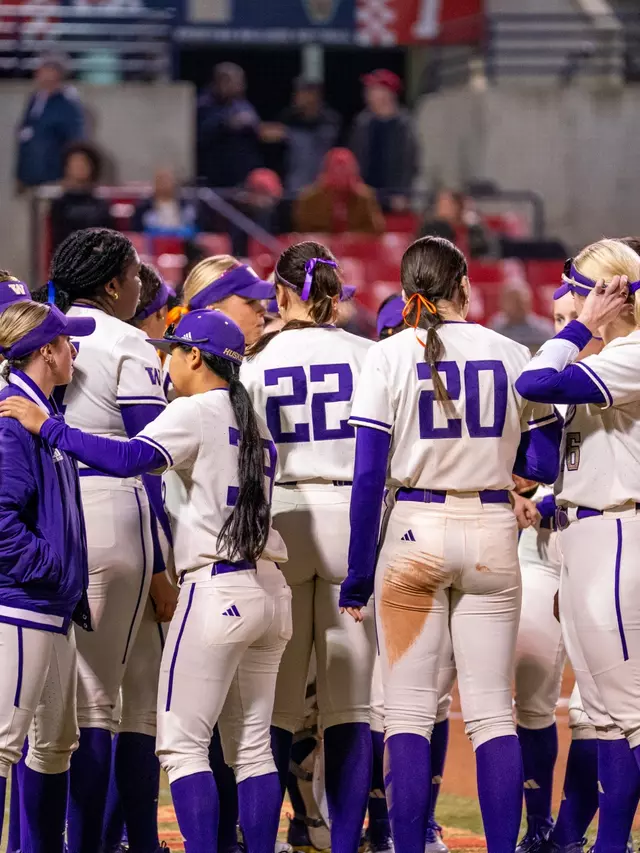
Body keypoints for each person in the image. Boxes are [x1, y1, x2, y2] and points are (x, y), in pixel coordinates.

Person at [0, 309, 292, 853]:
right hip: (271, 590)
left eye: (174, 350)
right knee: (252, 750)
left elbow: (130, 457)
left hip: (219, 586)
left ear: (196, 357)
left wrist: (51, 427)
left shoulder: (199, 408)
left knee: (182, 748)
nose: (166, 359)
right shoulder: (250, 417)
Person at [340, 236, 561, 853]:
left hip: (413, 527)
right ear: (463, 285)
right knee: (493, 712)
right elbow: (541, 458)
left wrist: (358, 575)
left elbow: (366, 478)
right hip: (493, 528)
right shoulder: (513, 351)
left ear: (410, 293)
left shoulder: (386, 357)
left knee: (408, 712)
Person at [241, 241, 377, 853]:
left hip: (282, 518)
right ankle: (344, 841)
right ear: (336, 292)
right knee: (350, 707)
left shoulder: (251, 362)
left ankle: (264, 839)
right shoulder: (370, 354)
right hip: (352, 515)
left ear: (280, 292)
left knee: (275, 704)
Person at [42, 227, 175, 853]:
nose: (140, 285)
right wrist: (163, 556)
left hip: (50, 510)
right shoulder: (129, 342)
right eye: (134, 273)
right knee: (107, 704)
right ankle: (93, 843)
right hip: (113, 510)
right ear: (112, 283)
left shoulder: (37, 327)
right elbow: (150, 456)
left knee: (81, 695)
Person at [516, 239, 640, 853]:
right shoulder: (611, 354)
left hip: (621, 531)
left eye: (586, 285)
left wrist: (581, 327)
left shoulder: (634, 352)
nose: (573, 295)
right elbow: (564, 457)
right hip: (584, 533)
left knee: (633, 714)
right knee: (607, 716)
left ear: (618, 292)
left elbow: (535, 377)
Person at [0, 300, 95, 851]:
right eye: (66, 342)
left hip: (51, 604)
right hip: (23, 602)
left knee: (56, 743)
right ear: (46, 352)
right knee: (4, 741)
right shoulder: (13, 419)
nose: (73, 351)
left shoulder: (42, 414)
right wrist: (50, 569)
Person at [513, 281, 602, 853]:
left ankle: (573, 832)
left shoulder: (622, 372)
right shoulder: (548, 377)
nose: (566, 329)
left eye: (575, 316)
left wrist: (546, 497)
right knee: (532, 693)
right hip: (541, 551)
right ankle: (540, 826)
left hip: (600, 546)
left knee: (601, 705)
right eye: (560, 317)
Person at [349, 69, 417, 211]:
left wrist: (403, 193)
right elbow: (355, 158)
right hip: (366, 197)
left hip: (396, 198)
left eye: (373, 89)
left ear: (388, 93)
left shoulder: (406, 124)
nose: (367, 94)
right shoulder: (362, 123)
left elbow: (410, 162)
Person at [15, 53, 85, 192]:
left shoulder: (68, 104)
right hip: (30, 178)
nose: (39, 74)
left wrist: (71, 177)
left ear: (57, 73)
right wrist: (20, 174)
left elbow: (76, 141)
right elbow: (25, 136)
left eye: (45, 69)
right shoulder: (35, 100)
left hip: (55, 179)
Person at [261, 78, 341, 195]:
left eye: (302, 93)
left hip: (323, 187)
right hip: (293, 186)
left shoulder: (330, 120)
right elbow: (267, 136)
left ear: (314, 95)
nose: (296, 97)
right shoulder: (287, 118)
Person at [183, 255, 274, 347]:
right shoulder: (187, 359)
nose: (262, 310)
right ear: (214, 314)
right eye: (250, 302)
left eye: (259, 301)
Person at [197, 63, 262, 190]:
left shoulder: (241, 104)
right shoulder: (204, 105)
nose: (241, 87)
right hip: (215, 177)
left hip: (241, 176)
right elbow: (200, 135)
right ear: (221, 82)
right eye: (236, 82)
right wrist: (226, 124)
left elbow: (256, 127)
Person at [293, 148, 384, 235]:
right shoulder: (309, 198)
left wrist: (351, 238)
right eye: (337, 168)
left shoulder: (365, 198)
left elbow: (376, 230)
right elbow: (302, 230)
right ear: (326, 171)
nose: (341, 173)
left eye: (346, 169)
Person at [50, 142, 114, 250]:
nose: (79, 167)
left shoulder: (101, 204)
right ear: (67, 168)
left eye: (83, 163)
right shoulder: (60, 204)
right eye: (75, 163)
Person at [420, 189, 493, 259]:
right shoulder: (430, 229)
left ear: (458, 206)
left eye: (446, 205)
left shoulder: (474, 228)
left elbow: (483, 251)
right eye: (439, 205)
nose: (440, 210)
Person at [489, 279, 555, 352]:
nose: (517, 306)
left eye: (520, 302)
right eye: (512, 301)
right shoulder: (496, 328)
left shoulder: (543, 330)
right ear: (502, 302)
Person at [131, 168, 199, 236]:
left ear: (174, 182)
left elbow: (196, 228)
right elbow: (137, 233)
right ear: (155, 183)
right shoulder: (143, 207)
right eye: (160, 180)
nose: (164, 183)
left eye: (167, 180)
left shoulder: (186, 205)